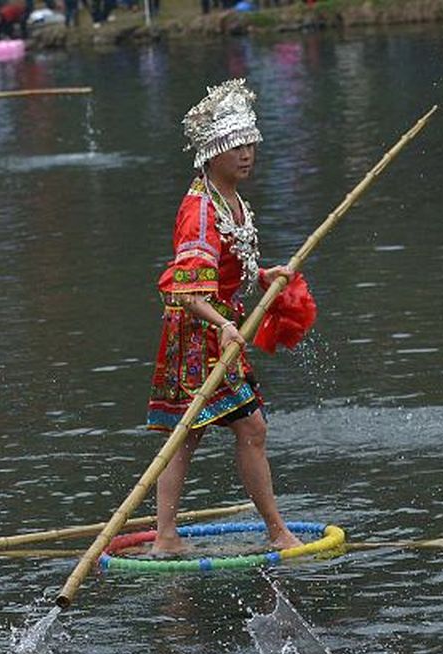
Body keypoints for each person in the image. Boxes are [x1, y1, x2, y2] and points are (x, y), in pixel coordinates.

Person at [146, 79, 301, 555]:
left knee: (191, 436)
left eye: (250, 144)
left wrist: (263, 274)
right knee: (240, 430)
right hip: (200, 334)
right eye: (236, 146)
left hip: (220, 330)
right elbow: (188, 290)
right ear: (212, 154)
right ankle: (273, 530)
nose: (246, 154)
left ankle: (168, 535)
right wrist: (224, 325)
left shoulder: (229, 199)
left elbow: (231, 266)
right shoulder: (200, 211)